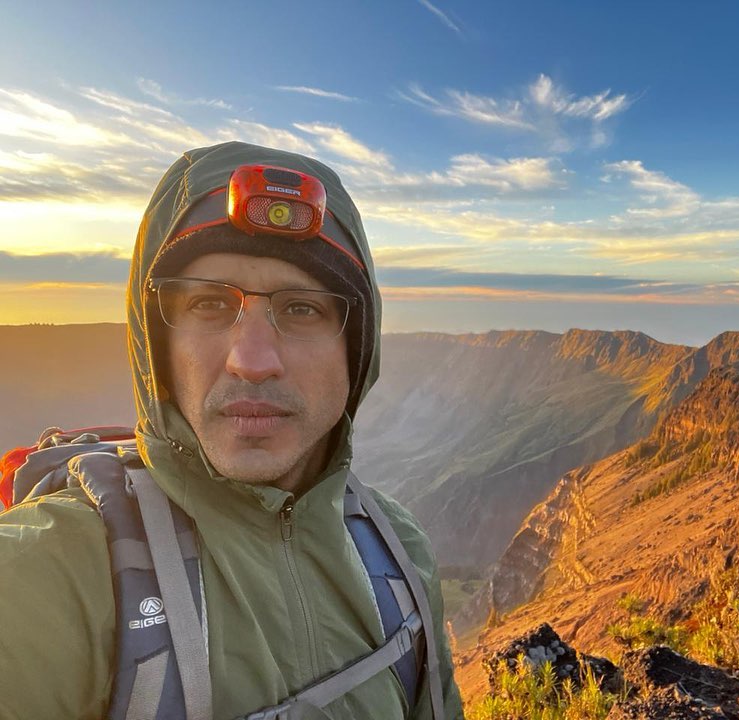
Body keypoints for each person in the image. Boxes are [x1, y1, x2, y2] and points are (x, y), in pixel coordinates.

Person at [0, 141, 464, 719]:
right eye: (210, 305)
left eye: (302, 308)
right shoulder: (48, 575)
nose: (253, 360)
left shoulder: (402, 553)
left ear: (357, 348)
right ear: (157, 345)